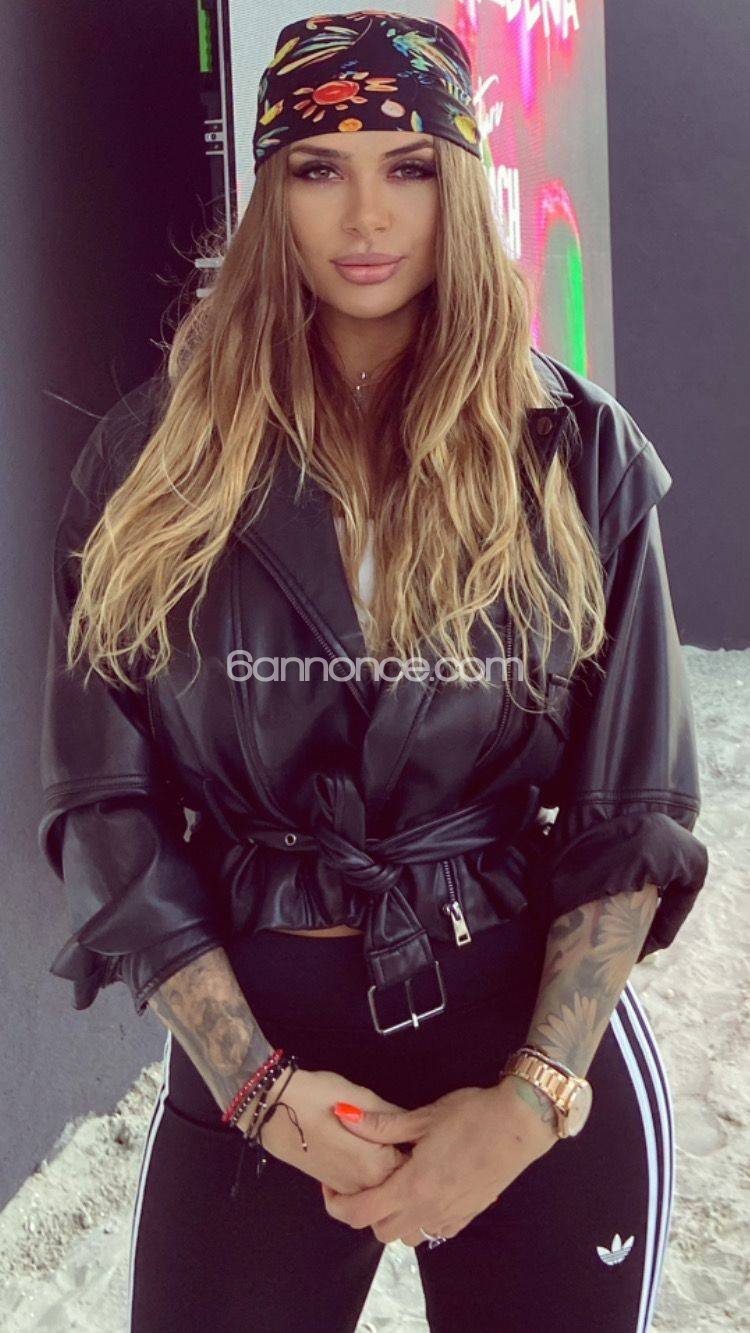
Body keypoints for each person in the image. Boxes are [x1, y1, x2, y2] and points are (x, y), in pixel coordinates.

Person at [38, 12, 709, 1332]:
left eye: (408, 166)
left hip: (521, 1043)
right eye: (317, 167)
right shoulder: (148, 465)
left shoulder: (576, 453)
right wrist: (258, 1090)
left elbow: (631, 815)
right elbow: (104, 806)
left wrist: (528, 1103)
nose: (365, 215)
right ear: (269, 193)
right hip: (260, 1045)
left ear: (459, 183)